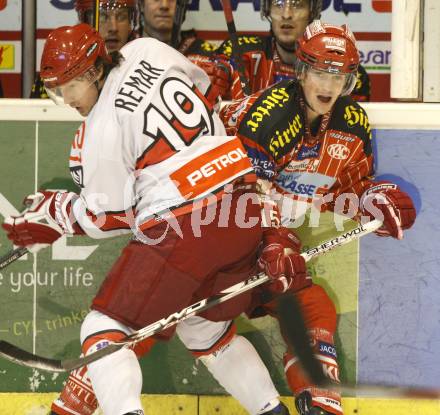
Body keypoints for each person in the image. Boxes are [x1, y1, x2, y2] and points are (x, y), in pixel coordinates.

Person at [2, 23, 306, 415]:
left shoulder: (101, 128)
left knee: (103, 327)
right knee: (205, 330)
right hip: (242, 208)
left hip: (186, 223)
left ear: (94, 70)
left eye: (68, 86)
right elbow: (207, 91)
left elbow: (111, 216)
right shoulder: (148, 49)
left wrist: (58, 213)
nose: (66, 99)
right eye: (56, 90)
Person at [220, 21, 416, 415]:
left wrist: (374, 200)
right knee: (176, 320)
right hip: (213, 237)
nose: (328, 84)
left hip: (267, 248)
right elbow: (243, 193)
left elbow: (346, 189)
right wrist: (273, 238)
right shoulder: (269, 115)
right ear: (302, 72)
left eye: (339, 75)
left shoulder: (351, 124)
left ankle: (318, 403)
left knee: (315, 309)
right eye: (320, 72)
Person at [215, 0, 370, 101]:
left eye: (297, 5)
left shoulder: (343, 70)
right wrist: (214, 79)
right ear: (268, 10)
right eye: (278, 4)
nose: (286, 15)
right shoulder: (239, 52)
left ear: (312, 12)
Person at [30, 0, 139, 99]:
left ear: (131, 21)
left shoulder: (144, 68)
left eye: (121, 17)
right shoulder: (58, 71)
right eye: (102, 17)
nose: (113, 28)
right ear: (84, 21)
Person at [140, 0, 231, 100]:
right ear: (141, 4)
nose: (164, 5)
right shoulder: (125, 52)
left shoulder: (209, 57)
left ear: (183, 6)